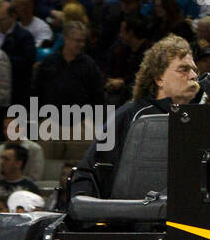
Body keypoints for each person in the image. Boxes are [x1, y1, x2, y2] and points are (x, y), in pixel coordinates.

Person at [69, 36, 201, 199]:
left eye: (194, 70)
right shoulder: (131, 115)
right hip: (133, 215)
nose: (194, 75)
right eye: (184, 69)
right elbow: (89, 171)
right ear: (159, 78)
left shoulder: (200, 120)